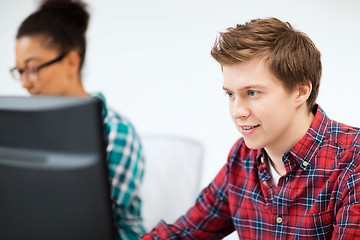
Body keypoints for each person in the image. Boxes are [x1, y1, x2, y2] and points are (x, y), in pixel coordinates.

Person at [141, 17, 360, 239]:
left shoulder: (353, 161)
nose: (238, 111)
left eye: (252, 93)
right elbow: (182, 233)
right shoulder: (243, 157)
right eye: (230, 94)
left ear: (300, 91)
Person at [9, 0, 145, 239]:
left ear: (71, 62)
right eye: (20, 71)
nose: (24, 82)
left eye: (32, 68)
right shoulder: (25, 133)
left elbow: (88, 219)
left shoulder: (115, 130)